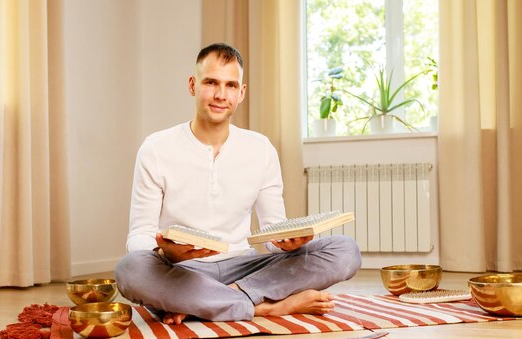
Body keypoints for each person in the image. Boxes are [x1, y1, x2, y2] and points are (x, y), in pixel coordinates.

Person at [115, 43, 361, 324]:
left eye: (231, 85)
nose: (221, 95)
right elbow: (139, 237)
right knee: (130, 269)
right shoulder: (156, 148)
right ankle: (263, 308)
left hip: (246, 267)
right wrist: (164, 252)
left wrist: (287, 244)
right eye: (211, 83)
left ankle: (213, 302)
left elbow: (272, 234)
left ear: (241, 92)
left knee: (345, 250)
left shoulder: (261, 148)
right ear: (193, 85)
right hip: (182, 271)